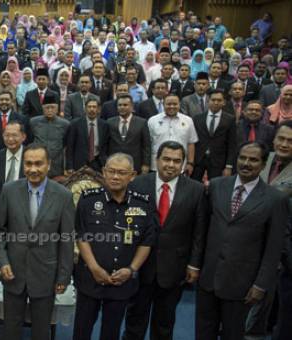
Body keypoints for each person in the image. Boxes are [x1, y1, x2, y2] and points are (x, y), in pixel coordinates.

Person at [196, 142, 288, 340]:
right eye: (242, 158)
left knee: (233, 335)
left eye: (253, 160)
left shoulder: (275, 199)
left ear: (264, 165)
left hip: (242, 284)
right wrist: (195, 265)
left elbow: (273, 248)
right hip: (209, 278)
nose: (246, 163)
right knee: (203, 333)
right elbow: (201, 231)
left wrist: (261, 285)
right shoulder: (216, 185)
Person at [122, 141, 208, 340]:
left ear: (184, 164)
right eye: (166, 159)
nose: (171, 165)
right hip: (140, 267)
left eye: (177, 161)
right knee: (134, 320)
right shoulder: (137, 184)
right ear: (157, 160)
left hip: (174, 267)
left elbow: (199, 231)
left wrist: (194, 265)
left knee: (164, 323)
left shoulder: (196, 190)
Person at [0, 143, 75, 340]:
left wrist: (63, 277)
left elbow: (66, 239)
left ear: (48, 165)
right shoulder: (9, 190)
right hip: (13, 271)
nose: (33, 169)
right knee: (11, 329)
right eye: (28, 164)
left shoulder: (63, 196)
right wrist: (3, 261)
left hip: (45, 273)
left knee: (41, 330)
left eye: (39, 163)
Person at [73, 153, 155, 340]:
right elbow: (81, 235)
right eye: (111, 171)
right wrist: (94, 268)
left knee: (111, 332)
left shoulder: (143, 203)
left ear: (132, 175)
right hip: (89, 278)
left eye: (121, 172)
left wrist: (131, 269)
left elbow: (146, 241)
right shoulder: (88, 199)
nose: (115, 176)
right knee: (81, 330)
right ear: (103, 172)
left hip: (122, 281)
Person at [258, 121, 292, 340]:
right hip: (255, 235)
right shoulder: (263, 159)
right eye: (281, 138)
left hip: (284, 241)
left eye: (291, 141)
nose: (285, 144)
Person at [191, 90, 237, 181]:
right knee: (195, 187)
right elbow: (192, 141)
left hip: (218, 161)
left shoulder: (230, 119)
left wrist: (229, 166)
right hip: (198, 160)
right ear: (208, 100)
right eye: (213, 100)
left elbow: (232, 144)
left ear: (223, 102)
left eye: (219, 100)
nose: (216, 102)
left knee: (215, 188)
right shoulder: (197, 118)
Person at [0, 121, 27, 216]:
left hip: (24, 213)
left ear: (23, 137)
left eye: (15, 135)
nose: (10, 139)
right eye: (6, 135)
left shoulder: (31, 156)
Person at [147, 94, 198, 174]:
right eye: (168, 104)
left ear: (179, 104)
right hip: (156, 166)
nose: (172, 106)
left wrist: (190, 163)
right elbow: (147, 144)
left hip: (180, 166)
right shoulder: (153, 121)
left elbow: (191, 143)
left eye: (175, 104)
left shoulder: (188, 121)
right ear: (163, 104)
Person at [107, 95, 151, 174]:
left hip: (135, 164)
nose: (122, 107)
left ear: (131, 106)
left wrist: (146, 164)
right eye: (119, 105)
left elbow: (146, 145)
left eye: (125, 105)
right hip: (115, 164)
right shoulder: (110, 122)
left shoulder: (142, 122)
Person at [29, 92, 70, 177]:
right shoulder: (33, 122)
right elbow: (29, 142)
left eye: (52, 107)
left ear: (57, 109)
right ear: (43, 108)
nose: (50, 110)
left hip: (57, 164)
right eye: (47, 108)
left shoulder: (65, 124)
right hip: (38, 161)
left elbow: (66, 145)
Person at [65, 99, 109, 172]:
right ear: (85, 109)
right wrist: (69, 166)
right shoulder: (75, 124)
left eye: (94, 107)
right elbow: (70, 147)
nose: (92, 109)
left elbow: (106, 146)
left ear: (98, 109)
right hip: (79, 164)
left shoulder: (104, 125)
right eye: (89, 107)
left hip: (98, 164)